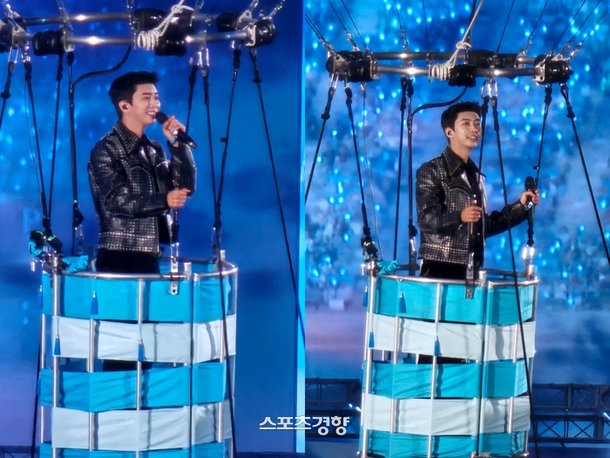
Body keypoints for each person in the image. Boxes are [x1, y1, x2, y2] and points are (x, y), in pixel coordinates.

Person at [415, 101, 540, 280]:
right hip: (440, 268)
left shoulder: (475, 175)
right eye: (466, 123)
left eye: (477, 124)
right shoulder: (432, 170)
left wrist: (522, 206)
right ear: (449, 132)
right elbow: (426, 218)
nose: (474, 129)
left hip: (472, 267)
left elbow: (483, 225)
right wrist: (459, 216)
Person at [88, 71, 196, 274]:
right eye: (147, 98)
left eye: (156, 97)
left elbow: (184, 187)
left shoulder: (154, 150)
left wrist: (177, 145)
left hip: (150, 253)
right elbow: (117, 201)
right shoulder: (106, 149)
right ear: (124, 106)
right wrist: (165, 199)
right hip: (118, 254)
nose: (155, 104)